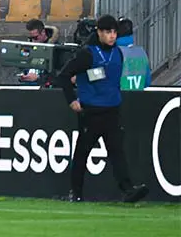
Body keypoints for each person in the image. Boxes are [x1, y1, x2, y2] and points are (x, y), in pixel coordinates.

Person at [50, 14, 149, 203]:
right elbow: (64, 76)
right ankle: (76, 193)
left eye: (114, 32)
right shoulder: (88, 53)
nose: (112, 36)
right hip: (91, 111)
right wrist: (72, 100)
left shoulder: (118, 53)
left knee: (117, 152)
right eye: (108, 32)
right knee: (82, 153)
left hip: (112, 109)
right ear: (99, 33)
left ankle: (128, 190)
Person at [18, 18, 59, 84]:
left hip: (45, 87)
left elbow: (57, 75)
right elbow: (23, 66)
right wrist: (23, 75)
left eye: (35, 37)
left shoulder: (56, 49)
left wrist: (38, 78)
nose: (33, 41)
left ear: (43, 32)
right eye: (31, 38)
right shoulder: (29, 47)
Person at [115, 18, 151, 91]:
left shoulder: (114, 53)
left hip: (119, 96)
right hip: (137, 96)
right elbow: (147, 82)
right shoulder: (142, 53)